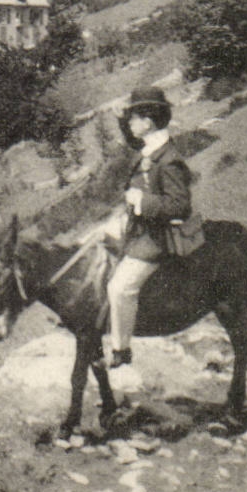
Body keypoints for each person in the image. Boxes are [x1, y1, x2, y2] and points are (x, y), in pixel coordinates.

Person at [105, 86, 193, 368]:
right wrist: (120, 119)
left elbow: (180, 206)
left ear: (149, 122)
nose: (130, 123)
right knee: (94, 245)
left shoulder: (169, 160)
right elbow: (132, 143)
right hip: (139, 227)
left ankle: (121, 350)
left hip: (157, 237)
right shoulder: (152, 149)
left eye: (134, 117)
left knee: (120, 288)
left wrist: (143, 200)